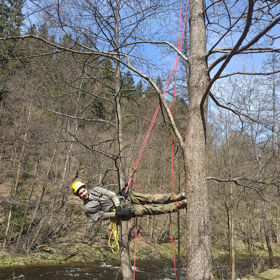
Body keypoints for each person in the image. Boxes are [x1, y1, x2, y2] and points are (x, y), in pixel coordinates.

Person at [71, 180, 187, 222]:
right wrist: (117, 213)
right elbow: (101, 216)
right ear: (78, 196)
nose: (83, 193)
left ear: (85, 188)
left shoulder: (96, 190)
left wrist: (119, 201)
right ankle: (177, 206)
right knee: (147, 209)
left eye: (83, 190)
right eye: (80, 193)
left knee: (149, 198)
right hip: (122, 212)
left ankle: (174, 197)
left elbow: (111, 194)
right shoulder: (87, 208)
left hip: (122, 201)